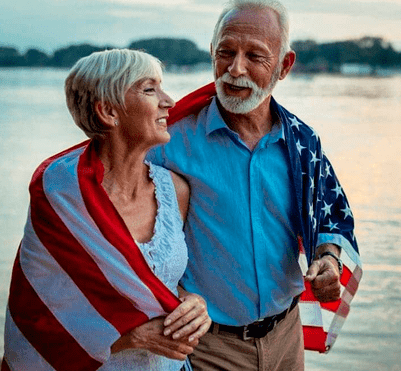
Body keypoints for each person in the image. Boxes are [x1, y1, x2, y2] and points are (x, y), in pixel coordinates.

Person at [148, 1, 361, 370]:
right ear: (212, 52)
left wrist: (328, 258)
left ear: (284, 66)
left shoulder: (302, 143)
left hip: (286, 337)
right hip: (205, 347)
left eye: (255, 56)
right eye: (226, 52)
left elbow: (329, 215)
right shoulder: (168, 144)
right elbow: (125, 241)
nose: (235, 69)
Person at [2, 49, 211, 371]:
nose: (168, 101)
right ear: (108, 111)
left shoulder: (176, 191)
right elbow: (37, 314)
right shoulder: (62, 197)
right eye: (149, 89)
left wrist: (193, 303)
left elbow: (159, 283)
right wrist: (132, 336)